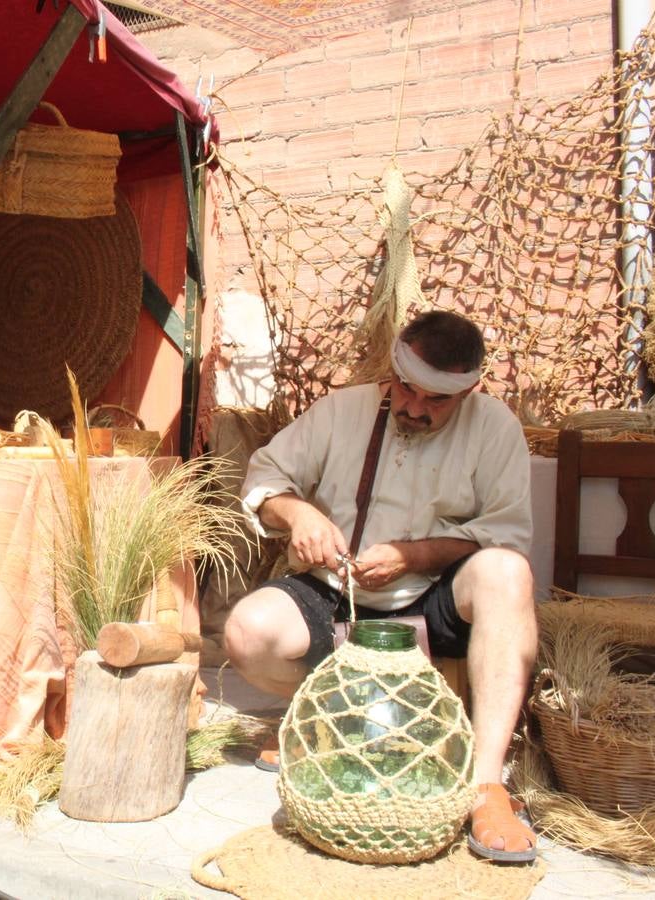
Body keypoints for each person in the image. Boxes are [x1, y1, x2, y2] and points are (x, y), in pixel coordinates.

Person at [224, 309, 539, 863]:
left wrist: (414, 555)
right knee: (248, 631)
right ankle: (325, 725)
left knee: (507, 573)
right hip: (338, 592)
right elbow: (264, 479)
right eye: (405, 389)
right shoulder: (344, 410)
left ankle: (486, 786)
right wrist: (300, 516)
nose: (414, 408)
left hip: (434, 597)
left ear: (468, 391)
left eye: (435, 401)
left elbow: (505, 531)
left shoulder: (496, 428)